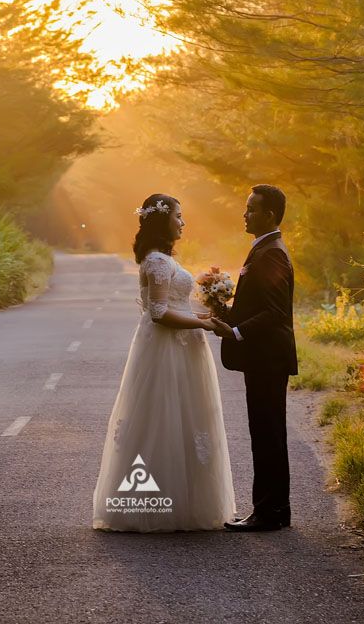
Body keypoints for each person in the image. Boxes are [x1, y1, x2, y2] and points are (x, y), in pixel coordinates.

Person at [92, 193, 236, 532]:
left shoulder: (163, 260)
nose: (183, 223)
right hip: (167, 349)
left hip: (181, 345)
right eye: (178, 216)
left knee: (185, 419)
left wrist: (205, 315)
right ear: (162, 220)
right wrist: (202, 324)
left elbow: (175, 307)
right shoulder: (156, 261)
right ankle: (153, 505)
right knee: (162, 419)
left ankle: (184, 500)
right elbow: (158, 313)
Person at [211, 184, 297, 532]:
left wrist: (234, 332)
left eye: (250, 209)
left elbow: (275, 313)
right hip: (263, 358)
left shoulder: (272, 253)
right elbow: (257, 305)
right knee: (264, 432)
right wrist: (222, 308)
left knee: (268, 434)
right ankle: (273, 510)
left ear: (269, 215)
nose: (244, 214)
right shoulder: (263, 249)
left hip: (268, 359)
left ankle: (270, 513)